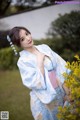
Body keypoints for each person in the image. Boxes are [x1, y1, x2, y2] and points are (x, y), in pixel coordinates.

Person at [7, 26, 70, 120]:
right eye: (22, 39)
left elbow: (60, 67)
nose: (28, 38)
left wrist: (68, 91)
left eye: (27, 34)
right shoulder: (23, 61)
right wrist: (40, 62)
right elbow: (34, 82)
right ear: (18, 43)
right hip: (44, 99)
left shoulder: (44, 48)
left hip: (60, 90)